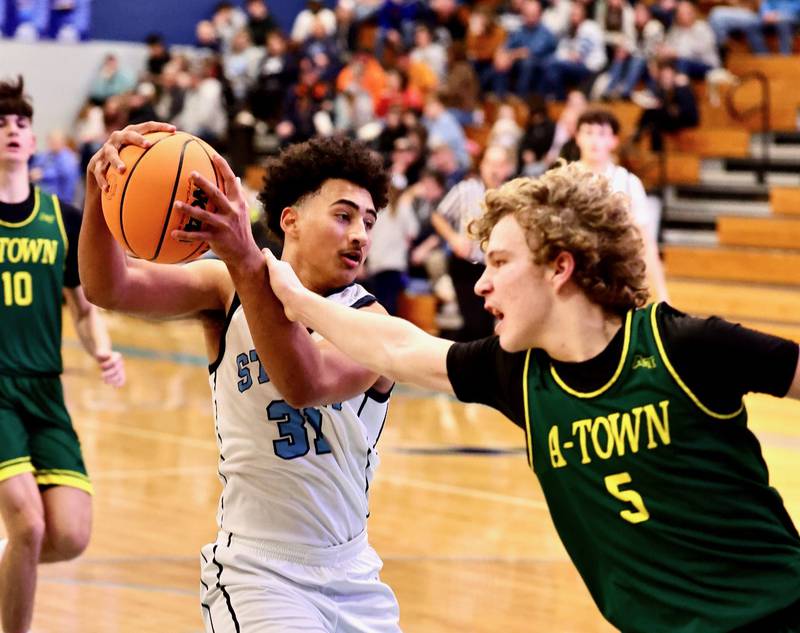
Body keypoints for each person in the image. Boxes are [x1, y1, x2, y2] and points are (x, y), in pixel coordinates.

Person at [262, 160, 800, 633]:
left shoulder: (681, 347)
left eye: (499, 262)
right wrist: (294, 298)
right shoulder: (520, 374)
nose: (481, 283)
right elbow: (399, 347)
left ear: (560, 267)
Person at [79, 124, 400, 633]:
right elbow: (109, 287)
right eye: (343, 216)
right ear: (290, 220)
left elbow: (305, 382)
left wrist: (244, 257)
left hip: (354, 572)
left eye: (368, 221)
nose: (360, 234)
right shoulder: (224, 289)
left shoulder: (371, 320)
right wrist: (101, 193)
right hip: (258, 571)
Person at [0, 76, 125, 633]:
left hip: (44, 388)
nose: (13, 131)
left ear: (33, 140)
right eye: (1, 124)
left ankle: (10, 567)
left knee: (69, 535)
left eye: (21, 123)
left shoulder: (61, 219)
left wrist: (103, 351)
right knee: (27, 526)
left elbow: (83, 307)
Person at [573, 109, 669, 302]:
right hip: (574, 276)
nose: (594, 140)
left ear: (613, 141)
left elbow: (646, 242)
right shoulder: (563, 179)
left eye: (601, 133)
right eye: (588, 132)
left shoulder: (628, 182)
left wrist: (662, 296)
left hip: (614, 279)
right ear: (577, 137)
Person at [430, 144, 515, 341]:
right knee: (474, 324)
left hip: (496, 268)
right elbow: (437, 216)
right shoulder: (466, 189)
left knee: (489, 325)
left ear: (508, 168)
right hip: (467, 265)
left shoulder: (511, 196)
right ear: (482, 165)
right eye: (490, 163)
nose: (494, 170)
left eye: (500, 164)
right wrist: (453, 238)